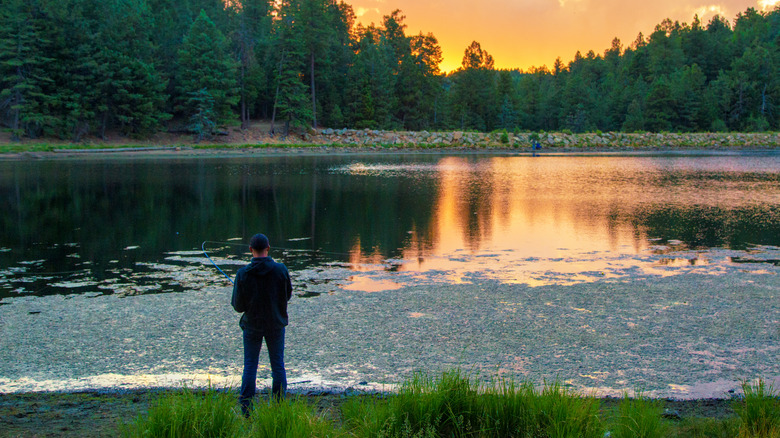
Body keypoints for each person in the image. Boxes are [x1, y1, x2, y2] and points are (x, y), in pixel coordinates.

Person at [231, 233, 292, 416]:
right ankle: (279, 408)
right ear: (268, 248)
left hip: (252, 327)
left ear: (251, 250)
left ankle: (246, 409)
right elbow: (287, 295)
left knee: (250, 365)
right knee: (277, 366)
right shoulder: (281, 270)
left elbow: (238, 306)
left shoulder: (243, 274)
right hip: (275, 325)